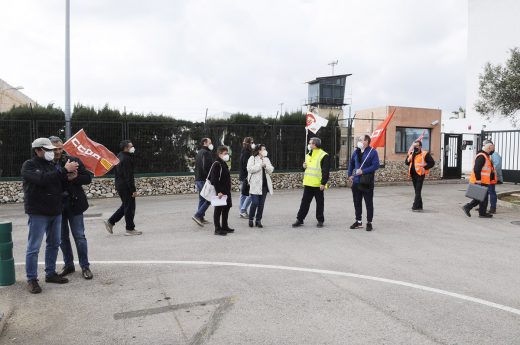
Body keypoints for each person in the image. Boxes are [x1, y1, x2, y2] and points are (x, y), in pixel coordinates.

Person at [21, 138, 79, 294]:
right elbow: (41, 180)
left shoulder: (53, 165)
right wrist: (62, 171)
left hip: (55, 211)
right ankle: (32, 279)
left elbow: (59, 184)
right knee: (34, 247)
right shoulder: (29, 165)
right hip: (38, 212)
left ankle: (50, 273)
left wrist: (69, 178)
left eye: (52, 150)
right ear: (38, 150)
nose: (52, 153)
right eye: (48, 150)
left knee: (54, 243)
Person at [48, 137, 93, 280]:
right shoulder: (45, 164)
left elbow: (87, 178)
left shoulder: (73, 160)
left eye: (60, 148)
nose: (58, 152)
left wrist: (75, 178)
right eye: (55, 149)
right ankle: (68, 265)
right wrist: (64, 176)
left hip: (74, 204)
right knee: (62, 238)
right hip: (56, 206)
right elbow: (45, 182)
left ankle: (85, 266)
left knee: (79, 236)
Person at [104, 140, 142, 235]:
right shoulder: (126, 159)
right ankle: (129, 229)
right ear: (126, 148)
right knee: (130, 207)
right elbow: (128, 176)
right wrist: (133, 190)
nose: (133, 147)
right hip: (125, 186)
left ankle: (111, 222)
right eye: (131, 146)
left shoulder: (120, 156)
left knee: (126, 206)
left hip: (120, 185)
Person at [292, 137, 330, 228]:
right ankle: (300, 219)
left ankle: (320, 220)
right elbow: (306, 168)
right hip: (308, 183)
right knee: (304, 203)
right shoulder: (308, 154)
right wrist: (303, 166)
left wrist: (323, 183)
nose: (308, 145)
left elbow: (325, 171)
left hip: (318, 184)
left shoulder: (324, 155)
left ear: (315, 145)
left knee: (319, 203)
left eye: (310, 143)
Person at [348, 135, 380, 231]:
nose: (359, 141)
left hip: (367, 182)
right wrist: (349, 175)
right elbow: (351, 164)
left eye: (360, 140)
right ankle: (358, 221)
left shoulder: (372, 152)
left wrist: (363, 171)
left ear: (366, 141)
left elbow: (376, 165)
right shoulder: (356, 152)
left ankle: (369, 222)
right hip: (356, 182)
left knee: (368, 203)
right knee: (357, 203)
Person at [462, 140, 496, 218]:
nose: (493, 150)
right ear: (489, 147)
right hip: (480, 181)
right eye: (492, 148)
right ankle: (468, 207)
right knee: (480, 197)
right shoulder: (482, 156)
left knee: (483, 198)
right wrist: (478, 179)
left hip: (484, 181)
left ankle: (482, 213)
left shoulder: (485, 156)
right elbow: (477, 169)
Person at [247, 144, 274, 228]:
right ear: (259, 150)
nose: (265, 151)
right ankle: (251, 218)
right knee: (255, 202)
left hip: (264, 185)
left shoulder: (266, 159)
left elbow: (271, 170)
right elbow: (250, 169)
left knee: (261, 204)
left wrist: (265, 166)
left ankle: (258, 220)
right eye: (263, 149)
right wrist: (260, 165)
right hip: (255, 185)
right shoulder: (252, 158)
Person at [404, 140, 435, 211]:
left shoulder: (425, 153)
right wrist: (408, 159)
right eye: (414, 146)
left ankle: (415, 206)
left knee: (418, 190)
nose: (415, 147)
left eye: (416, 146)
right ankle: (420, 206)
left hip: (420, 174)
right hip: (413, 174)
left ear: (420, 146)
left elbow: (432, 163)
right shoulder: (411, 153)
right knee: (417, 191)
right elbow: (406, 162)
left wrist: (425, 167)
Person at [211, 146, 234, 236]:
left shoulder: (223, 163)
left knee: (226, 208)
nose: (227, 155)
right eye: (225, 153)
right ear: (219, 154)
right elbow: (214, 179)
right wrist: (218, 191)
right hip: (220, 191)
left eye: (227, 153)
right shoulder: (217, 164)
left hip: (226, 190)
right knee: (218, 210)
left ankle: (225, 226)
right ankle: (217, 228)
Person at [192, 138, 214, 226]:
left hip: (199, 178)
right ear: (205, 143)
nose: (211, 144)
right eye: (210, 142)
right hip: (204, 179)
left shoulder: (200, 152)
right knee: (209, 199)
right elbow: (206, 167)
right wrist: (209, 178)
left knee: (202, 198)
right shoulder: (206, 153)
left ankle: (201, 217)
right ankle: (197, 215)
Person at [238, 137, 255, 218]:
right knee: (250, 195)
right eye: (252, 142)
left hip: (243, 176)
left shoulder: (243, 151)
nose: (253, 144)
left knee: (243, 194)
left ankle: (242, 211)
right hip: (246, 177)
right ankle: (243, 210)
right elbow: (246, 166)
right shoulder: (246, 153)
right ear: (248, 143)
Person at [489, 142, 503, 214]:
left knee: (491, 192)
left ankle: (493, 208)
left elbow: (497, 166)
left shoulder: (495, 155)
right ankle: (483, 206)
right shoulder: (488, 155)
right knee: (485, 192)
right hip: (487, 177)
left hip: (491, 177)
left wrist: (491, 173)